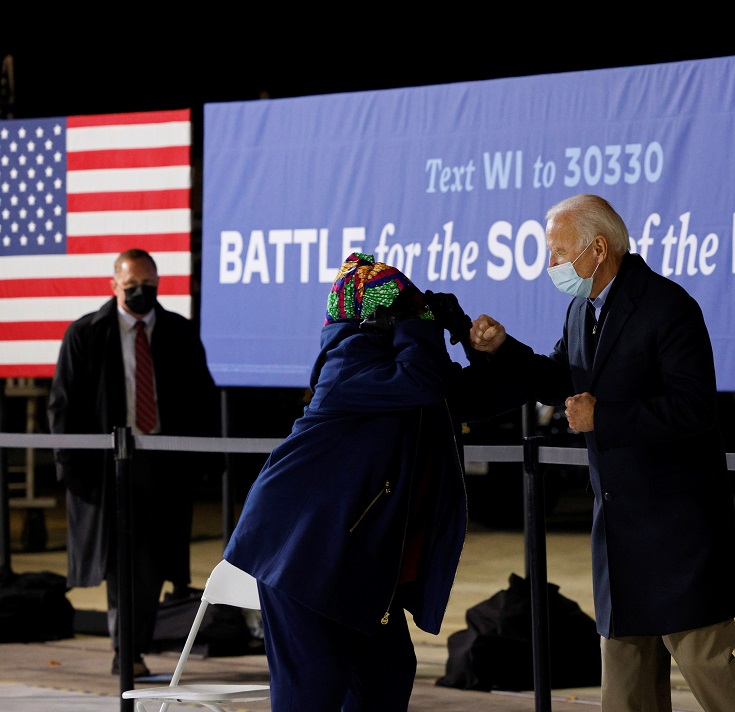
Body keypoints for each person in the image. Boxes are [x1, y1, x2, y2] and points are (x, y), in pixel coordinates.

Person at [469, 194, 735, 711]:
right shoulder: (581, 309)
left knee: (706, 661)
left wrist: (604, 416)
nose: (551, 265)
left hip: (678, 524)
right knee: (625, 671)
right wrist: (502, 350)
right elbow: (557, 378)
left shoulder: (668, 306)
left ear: (597, 248)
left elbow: (694, 407)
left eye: (558, 252)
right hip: (618, 524)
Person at [223, 252, 520, 711]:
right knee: (314, 689)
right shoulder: (347, 365)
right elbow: (421, 381)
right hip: (302, 553)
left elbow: (485, 396)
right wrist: (421, 324)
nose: (419, 315)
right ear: (379, 319)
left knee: (386, 676)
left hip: (357, 559)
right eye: (407, 308)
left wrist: (471, 340)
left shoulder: (403, 368)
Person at [47, 248, 221, 677]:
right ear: (114, 286)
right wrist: (70, 471)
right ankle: (127, 652)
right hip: (109, 467)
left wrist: (205, 463)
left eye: (149, 286)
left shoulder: (178, 332)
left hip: (162, 462)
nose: (141, 294)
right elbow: (63, 405)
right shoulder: (86, 334)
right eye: (132, 287)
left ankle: (133, 646)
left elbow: (202, 400)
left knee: (154, 562)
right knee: (118, 563)